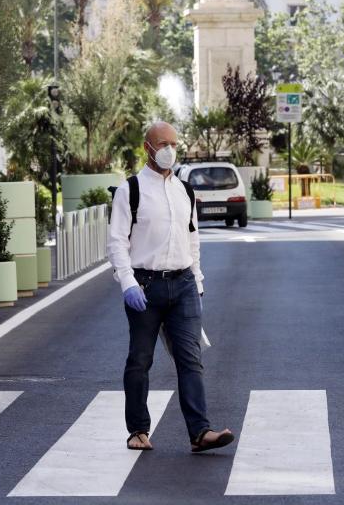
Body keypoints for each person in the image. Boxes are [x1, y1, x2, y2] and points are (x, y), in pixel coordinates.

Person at [106, 121, 235, 454]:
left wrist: (198, 280)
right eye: (162, 143)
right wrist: (127, 282)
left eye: (174, 144)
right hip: (144, 288)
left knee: (191, 360)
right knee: (140, 360)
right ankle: (138, 430)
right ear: (147, 147)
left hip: (184, 285)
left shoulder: (184, 190)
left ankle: (200, 432)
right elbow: (117, 242)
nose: (169, 150)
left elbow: (192, 238)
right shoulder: (130, 190)